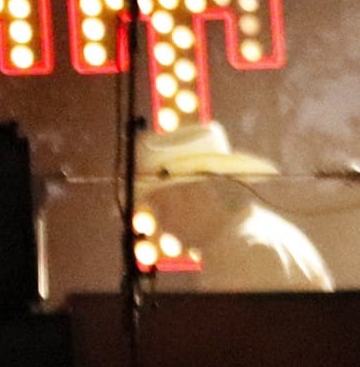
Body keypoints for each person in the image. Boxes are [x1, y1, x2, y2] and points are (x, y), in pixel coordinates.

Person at [139, 120, 336, 292]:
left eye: (163, 209)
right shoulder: (239, 244)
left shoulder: (253, 250)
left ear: (199, 194)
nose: (163, 225)